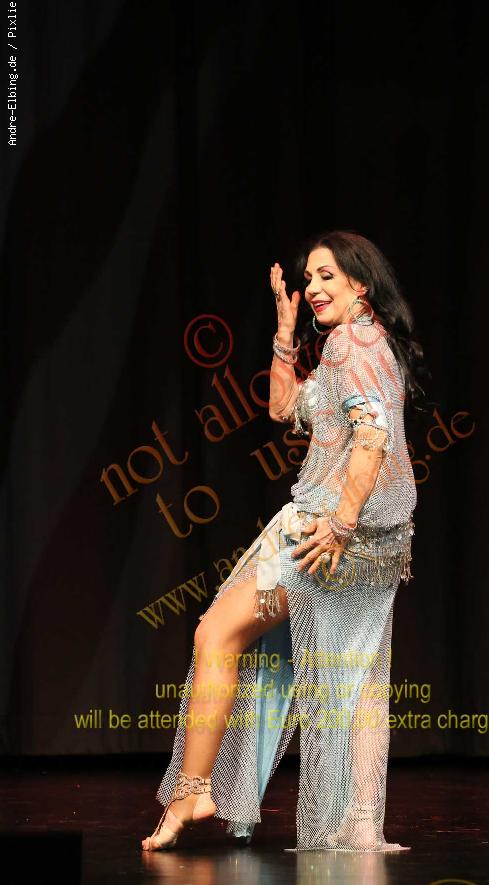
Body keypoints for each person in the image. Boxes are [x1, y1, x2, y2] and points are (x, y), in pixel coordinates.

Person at [141, 229, 425, 853]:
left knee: (216, 634)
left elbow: (373, 437)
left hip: (327, 535)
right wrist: (284, 332)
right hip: (371, 541)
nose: (314, 287)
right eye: (309, 278)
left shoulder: (351, 344)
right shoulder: (363, 343)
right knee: (353, 679)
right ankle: (354, 822)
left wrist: (341, 522)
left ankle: (194, 790)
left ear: (361, 284)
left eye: (327, 276)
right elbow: (282, 409)